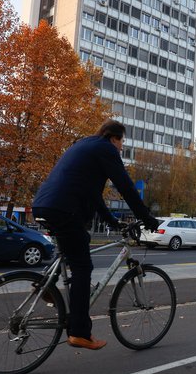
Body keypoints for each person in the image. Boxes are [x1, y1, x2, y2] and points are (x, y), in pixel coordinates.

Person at [32, 120, 160, 351]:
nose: (121, 147)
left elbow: (93, 195)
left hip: (44, 205)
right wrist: (147, 217)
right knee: (83, 267)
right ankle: (80, 332)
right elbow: (126, 186)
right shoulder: (106, 149)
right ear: (114, 138)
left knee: (72, 248)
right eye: (122, 142)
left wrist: (112, 221)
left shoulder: (84, 145)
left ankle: (47, 286)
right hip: (65, 209)